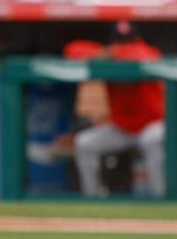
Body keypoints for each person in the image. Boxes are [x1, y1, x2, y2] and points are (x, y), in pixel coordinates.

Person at [66, 22, 165, 197]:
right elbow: (72, 50)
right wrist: (107, 53)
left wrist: (113, 53)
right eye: (120, 41)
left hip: (151, 124)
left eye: (128, 41)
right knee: (84, 142)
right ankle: (92, 199)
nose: (124, 46)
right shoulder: (107, 55)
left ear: (136, 40)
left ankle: (160, 198)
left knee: (152, 140)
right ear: (112, 41)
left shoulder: (148, 53)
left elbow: (148, 54)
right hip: (121, 128)